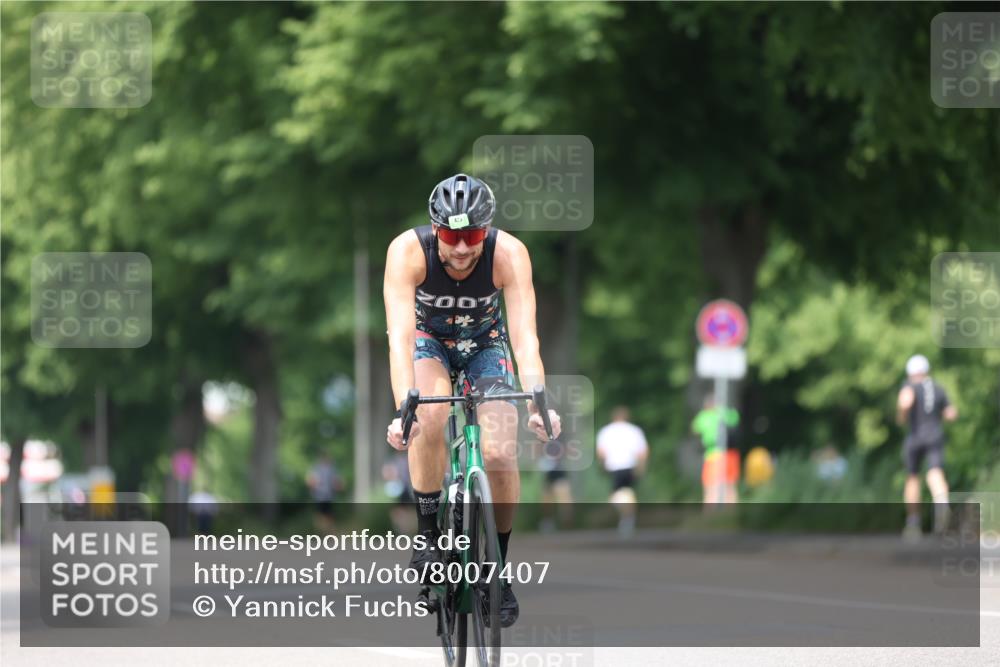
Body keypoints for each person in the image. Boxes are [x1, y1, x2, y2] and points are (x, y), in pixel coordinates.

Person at [383, 173, 562, 628]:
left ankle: (496, 570)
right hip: (430, 342)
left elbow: (525, 338)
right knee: (431, 411)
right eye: (451, 236)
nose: (462, 249)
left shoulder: (509, 254)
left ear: (487, 230)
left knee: (501, 451)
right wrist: (405, 407)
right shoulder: (407, 252)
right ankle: (427, 539)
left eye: (473, 236)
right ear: (434, 229)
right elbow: (401, 339)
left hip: (485, 344)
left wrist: (540, 402)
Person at [897, 354, 958, 540]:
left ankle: (913, 523)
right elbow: (950, 413)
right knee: (935, 473)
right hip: (935, 435)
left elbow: (904, 405)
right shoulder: (938, 388)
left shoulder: (909, 386)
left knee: (912, 478)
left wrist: (902, 414)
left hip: (915, 437)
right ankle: (942, 508)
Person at [596, 407, 648, 536]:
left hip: (614, 466)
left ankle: (626, 518)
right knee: (627, 492)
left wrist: (602, 465)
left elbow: (601, 452)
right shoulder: (634, 430)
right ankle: (628, 518)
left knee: (616, 495)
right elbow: (643, 451)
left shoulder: (606, 431)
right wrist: (641, 467)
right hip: (630, 465)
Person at [692, 394, 740, 505]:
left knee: (710, 486)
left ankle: (710, 514)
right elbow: (736, 419)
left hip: (713, 454)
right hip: (731, 454)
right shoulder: (726, 412)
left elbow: (695, 429)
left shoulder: (704, 416)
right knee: (730, 485)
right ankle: (732, 514)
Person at [306, 453, 343, 534]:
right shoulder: (316, 469)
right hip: (319, 496)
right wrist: (313, 485)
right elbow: (310, 481)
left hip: (329, 496)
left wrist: (338, 486)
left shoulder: (332, 470)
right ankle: (321, 531)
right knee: (320, 514)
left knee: (328, 514)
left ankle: (327, 531)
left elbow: (337, 482)